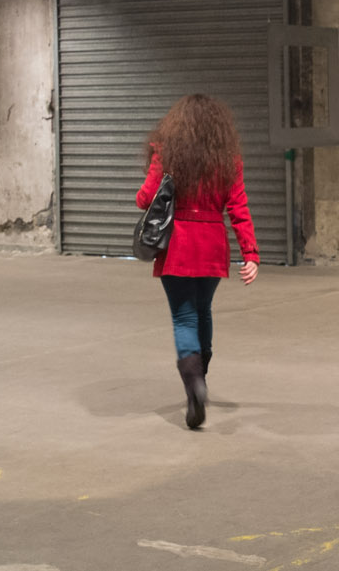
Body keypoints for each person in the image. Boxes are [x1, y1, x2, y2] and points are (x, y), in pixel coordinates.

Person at [136, 93, 260, 430]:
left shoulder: (168, 155)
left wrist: (156, 161)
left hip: (177, 244)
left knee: (184, 316)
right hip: (212, 245)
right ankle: (200, 376)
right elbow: (238, 207)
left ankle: (194, 384)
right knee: (203, 311)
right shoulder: (228, 161)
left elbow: (144, 199)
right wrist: (250, 254)